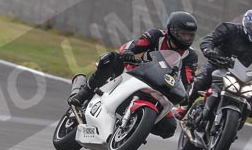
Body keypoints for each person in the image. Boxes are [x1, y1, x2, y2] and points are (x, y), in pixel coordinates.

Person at [68, 11, 199, 139]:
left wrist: (185, 94)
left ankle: (134, 127)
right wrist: (128, 52)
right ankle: (83, 94)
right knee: (111, 58)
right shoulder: (156, 35)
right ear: (172, 30)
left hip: (160, 89)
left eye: (190, 35)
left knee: (168, 128)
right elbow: (133, 44)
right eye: (183, 34)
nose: (186, 38)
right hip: (135, 74)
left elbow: (187, 79)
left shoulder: (190, 55)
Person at [178, 9, 252, 125]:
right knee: (198, 84)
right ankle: (184, 109)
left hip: (240, 73)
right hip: (216, 64)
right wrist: (208, 50)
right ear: (246, 24)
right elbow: (210, 39)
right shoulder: (229, 29)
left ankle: (235, 122)